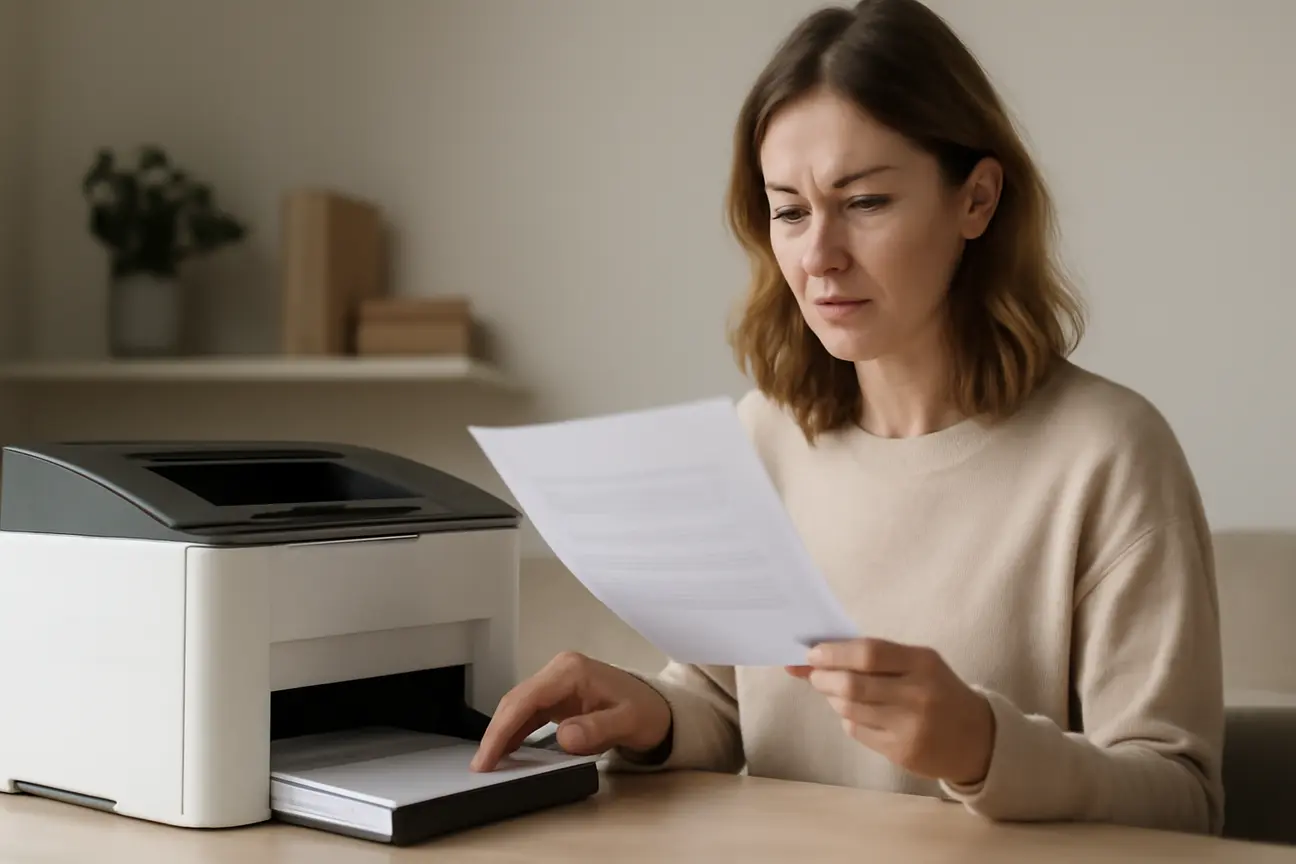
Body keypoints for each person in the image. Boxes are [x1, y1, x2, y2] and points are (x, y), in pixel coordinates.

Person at [471, 0, 1225, 836]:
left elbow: (1182, 799)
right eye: (789, 210)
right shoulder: (764, 435)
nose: (818, 254)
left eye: (863, 202)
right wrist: (651, 713)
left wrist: (984, 748)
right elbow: (725, 707)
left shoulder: (1109, 454)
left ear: (976, 200)